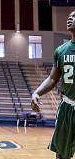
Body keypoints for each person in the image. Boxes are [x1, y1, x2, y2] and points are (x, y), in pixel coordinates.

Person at [31, 10, 75, 159]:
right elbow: (52, 79)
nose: (70, 18)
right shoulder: (61, 51)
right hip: (67, 107)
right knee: (61, 154)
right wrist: (37, 92)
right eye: (69, 17)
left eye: (74, 17)